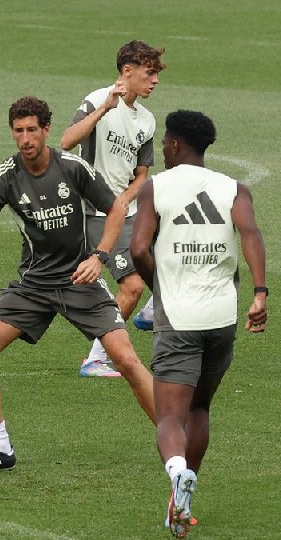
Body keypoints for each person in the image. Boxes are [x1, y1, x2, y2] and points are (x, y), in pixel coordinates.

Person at [0, 96, 156, 473]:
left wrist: (100, 257)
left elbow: (114, 208)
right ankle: (0, 448)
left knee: (126, 359)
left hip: (80, 279)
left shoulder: (71, 167)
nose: (26, 138)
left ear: (46, 130)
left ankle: (173, 440)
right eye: (19, 131)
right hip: (34, 285)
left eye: (32, 129)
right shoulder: (7, 176)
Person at [131, 110, 267, 538]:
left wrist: (160, 289)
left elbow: (137, 249)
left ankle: (176, 473)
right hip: (221, 318)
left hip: (179, 318)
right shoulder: (234, 189)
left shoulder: (157, 187)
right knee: (201, 407)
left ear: (172, 144)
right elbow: (251, 234)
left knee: (170, 418)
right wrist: (260, 293)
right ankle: (185, 495)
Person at [61, 40, 166, 377]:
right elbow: (66, 141)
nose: (155, 81)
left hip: (128, 210)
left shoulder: (147, 121)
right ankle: (96, 358)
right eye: (149, 74)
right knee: (133, 286)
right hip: (97, 213)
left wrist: (128, 195)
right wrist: (105, 108)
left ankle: (153, 312)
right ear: (127, 71)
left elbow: (142, 175)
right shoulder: (97, 99)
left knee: (175, 249)